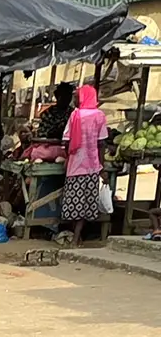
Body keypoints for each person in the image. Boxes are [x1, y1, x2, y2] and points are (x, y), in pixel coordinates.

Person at [60, 82, 110, 243]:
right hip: (91, 167)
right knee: (86, 204)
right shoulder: (100, 116)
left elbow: (66, 141)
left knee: (74, 203)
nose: (74, 101)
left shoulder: (75, 115)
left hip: (75, 167)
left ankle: (76, 237)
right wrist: (101, 166)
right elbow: (101, 143)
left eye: (76, 98)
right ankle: (77, 236)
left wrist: (69, 155)